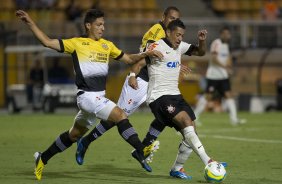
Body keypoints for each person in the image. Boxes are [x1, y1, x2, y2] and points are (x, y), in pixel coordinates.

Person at [16, 9, 163, 180]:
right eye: (99, 25)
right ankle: (141, 149)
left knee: (74, 135)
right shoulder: (76, 43)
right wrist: (29, 22)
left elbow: (129, 59)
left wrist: (146, 53)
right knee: (120, 115)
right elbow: (47, 42)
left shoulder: (107, 45)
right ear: (88, 25)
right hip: (87, 97)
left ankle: (42, 158)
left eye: (104, 25)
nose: (103, 28)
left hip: (96, 98)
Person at [75, 6, 181, 167]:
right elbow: (146, 54)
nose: (174, 21)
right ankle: (86, 142)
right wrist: (132, 74)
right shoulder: (156, 31)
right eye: (171, 18)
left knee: (165, 116)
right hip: (141, 80)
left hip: (156, 82)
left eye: (176, 19)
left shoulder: (171, 36)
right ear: (163, 17)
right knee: (118, 117)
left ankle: (141, 150)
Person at [130, 19, 226, 179]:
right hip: (158, 96)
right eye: (177, 35)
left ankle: (176, 168)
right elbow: (138, 62)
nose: (180, 38)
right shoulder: (156, 46)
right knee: (186, 121)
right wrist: (132, 76)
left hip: (175, 95)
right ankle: (208, 161)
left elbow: (200, 52)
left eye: (182, 35)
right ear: (168, 33)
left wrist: (202, 42)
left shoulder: (180, 46)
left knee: (191, 131)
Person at [194, 26, 246, 125]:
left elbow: (227, 58)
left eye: (228, 34)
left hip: (223, 76)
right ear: (221, 34)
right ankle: (195, 117)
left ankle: (234, 119)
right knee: (207, 96)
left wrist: (229, 68)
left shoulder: (226, 45)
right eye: (225, 34)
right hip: (213, 76)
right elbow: (213, 58)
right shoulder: (216, 43)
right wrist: (225, 66)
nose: (227, 36)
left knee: (229, 95)